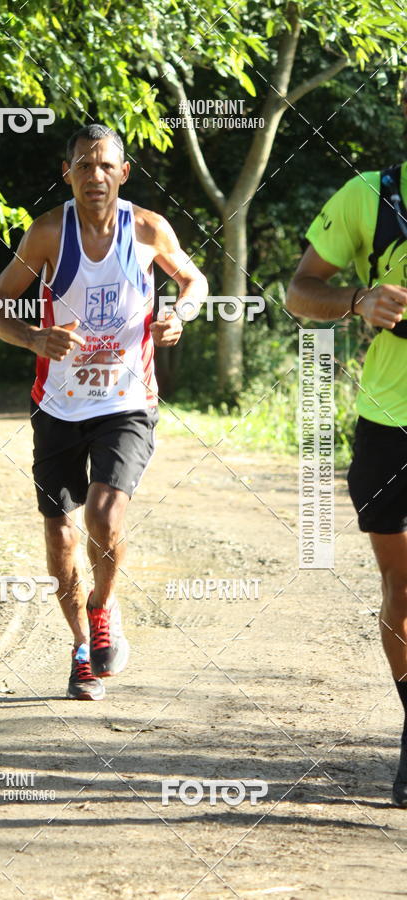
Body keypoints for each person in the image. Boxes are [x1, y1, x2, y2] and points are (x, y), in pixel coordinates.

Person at [0, 123, 208, 700]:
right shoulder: (48, 234)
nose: (95, 176)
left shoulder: (149, 229)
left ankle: (103, 608)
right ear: (68, 175)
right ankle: (82, 647)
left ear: (123, 173)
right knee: (61, 541)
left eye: (106, 165)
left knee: (104, 519)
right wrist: (35, 340)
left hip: (127, 402)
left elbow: (195, 279)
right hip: (58, 406)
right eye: (84, 166)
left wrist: (179, 312)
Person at [287, 131, 407, 805]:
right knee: (403, 588)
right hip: (392, 425)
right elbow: (300, 292)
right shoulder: (371, 196)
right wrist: (359, 301)